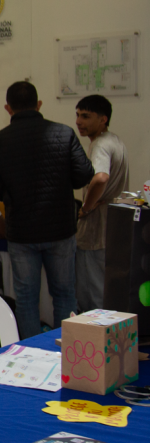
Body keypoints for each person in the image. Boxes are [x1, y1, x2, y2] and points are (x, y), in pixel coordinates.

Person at [0, 81, 94, 338]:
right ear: (39, 104)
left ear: (8, 108)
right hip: (61, 230)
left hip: (21, 232)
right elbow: (84, 174)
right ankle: (68, 352)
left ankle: (33, 355)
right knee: (65, 294)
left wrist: (13, 195)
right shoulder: (64, 133)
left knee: (26, 298)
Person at [74, 95, 129, 311]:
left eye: (86, 116)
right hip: (113, 227)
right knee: (109, 292)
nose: (79, 121)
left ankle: (97, 343)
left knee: (93, 296)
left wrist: (86, 208)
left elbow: (100, 177)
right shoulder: (115, 140)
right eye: (78, 115)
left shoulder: (100, 145)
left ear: (103, 119)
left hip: (96, 229)